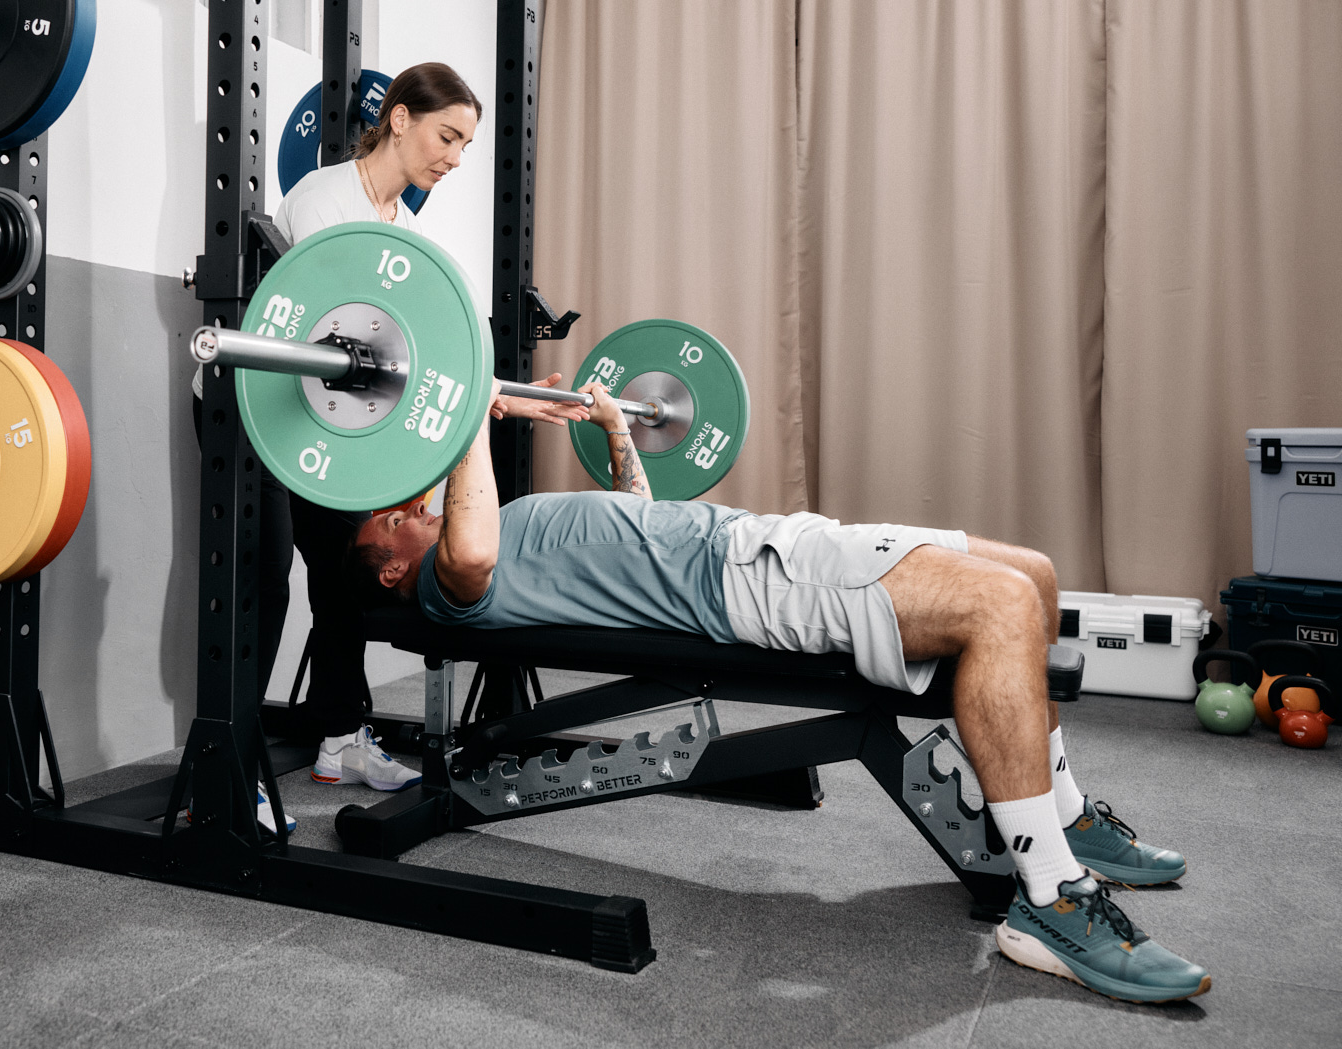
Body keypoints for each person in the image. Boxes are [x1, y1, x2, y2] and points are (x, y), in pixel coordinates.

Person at [348, 381, 1210, 1005]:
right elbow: (467, 552)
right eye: (395, 514)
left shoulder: (501, 532)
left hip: (759, 542)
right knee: (1003, 604)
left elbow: (638, 522)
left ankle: (1060, 813)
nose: (411, 502)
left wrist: (615, 433)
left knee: (1035, 571)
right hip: (752, 584)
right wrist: (465, 411)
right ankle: (1052, 897)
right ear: (393, 563)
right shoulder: (450, 581)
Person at [193, 62, 586, 829]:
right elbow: (335, 336)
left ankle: (339, 734)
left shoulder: (399, 229)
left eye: (467, 144)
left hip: (323, 422)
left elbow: (404, 362)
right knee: (263, 579)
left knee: (347, 571)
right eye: (448, 136)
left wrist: (500, 395)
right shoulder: (325, 200)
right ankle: (228, 765)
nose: (455, 158)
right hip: (260, 412)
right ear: (399, 119)